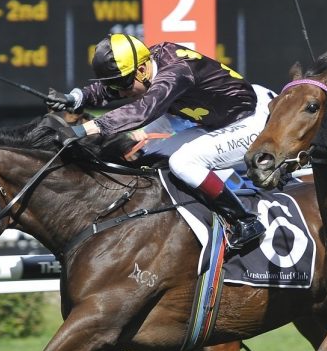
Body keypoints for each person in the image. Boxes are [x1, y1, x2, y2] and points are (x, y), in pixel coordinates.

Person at [49, 33, 269, 249]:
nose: (121, 93)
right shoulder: (145, 61)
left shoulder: (176, 72)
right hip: (216, 121)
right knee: (150, 158)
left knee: (183, 163)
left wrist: (83, 130)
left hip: (251, 120)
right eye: (116, 86)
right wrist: (75, 98)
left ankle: (245, 220)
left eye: (123, 85)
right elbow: (109, 88)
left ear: (142, 70)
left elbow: (143, 111)